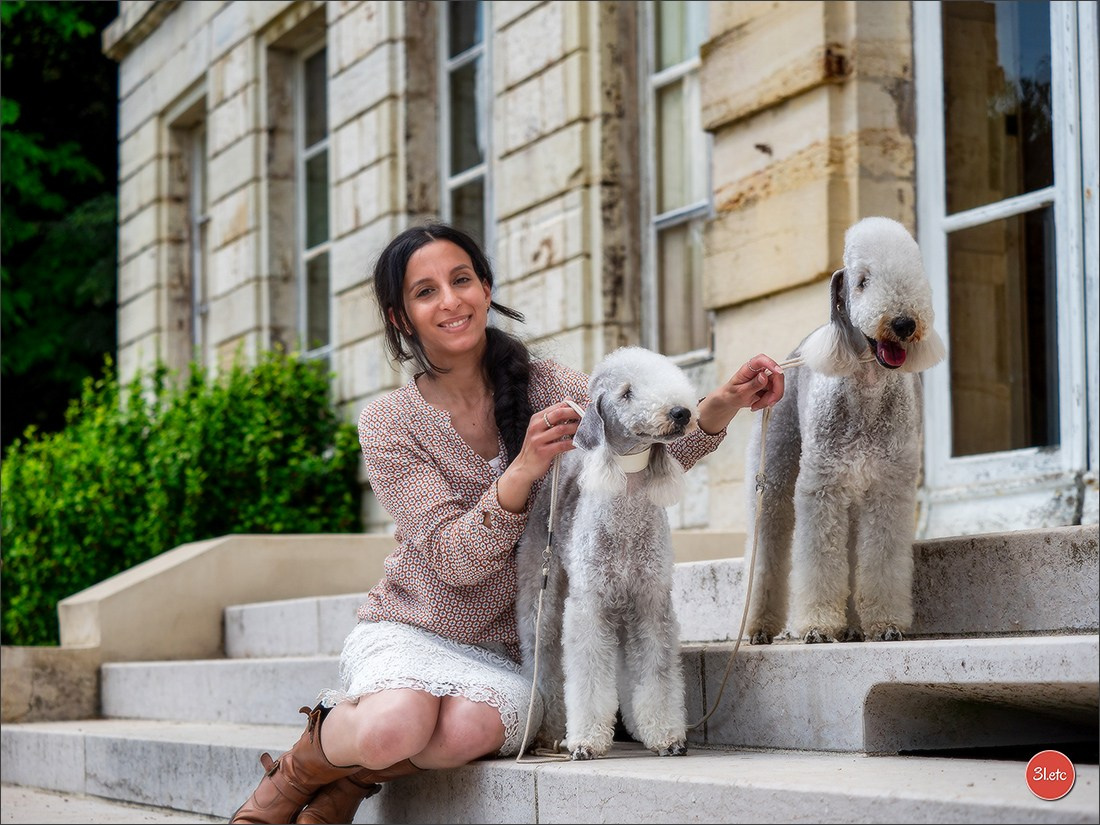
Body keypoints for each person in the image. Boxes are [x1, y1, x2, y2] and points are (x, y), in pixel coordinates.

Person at [230, 222, 785, 824]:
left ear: (486, 289)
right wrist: (522, 469)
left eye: (462, 280)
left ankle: (350, 778)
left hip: (521, 648)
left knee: (464, 733)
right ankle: (293, 776)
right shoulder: (389, 420)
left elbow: (634, 456)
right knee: (395, 726)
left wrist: (723, 402)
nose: (451, 301)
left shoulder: (551, 384)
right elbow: (454, 562)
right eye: (425, 292)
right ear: (400, 317)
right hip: (417, 625)